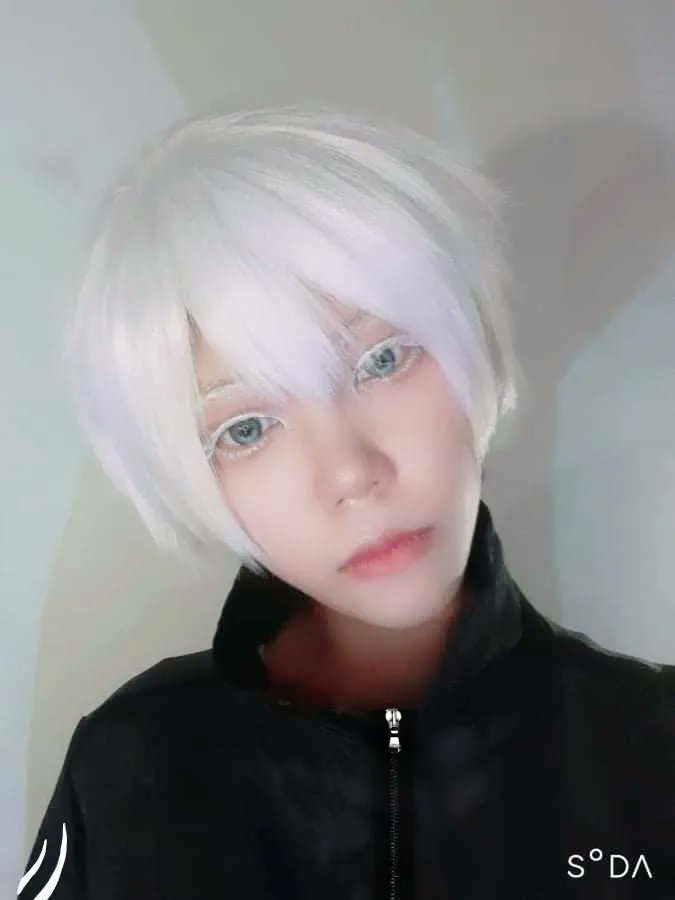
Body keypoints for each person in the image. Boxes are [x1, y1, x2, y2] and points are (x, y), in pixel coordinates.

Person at [19, 107, 674, 900]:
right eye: (246, 428)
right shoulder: (132, 763)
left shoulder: (652, 746)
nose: (350, 473)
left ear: (471, 342)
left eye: (382, 360)